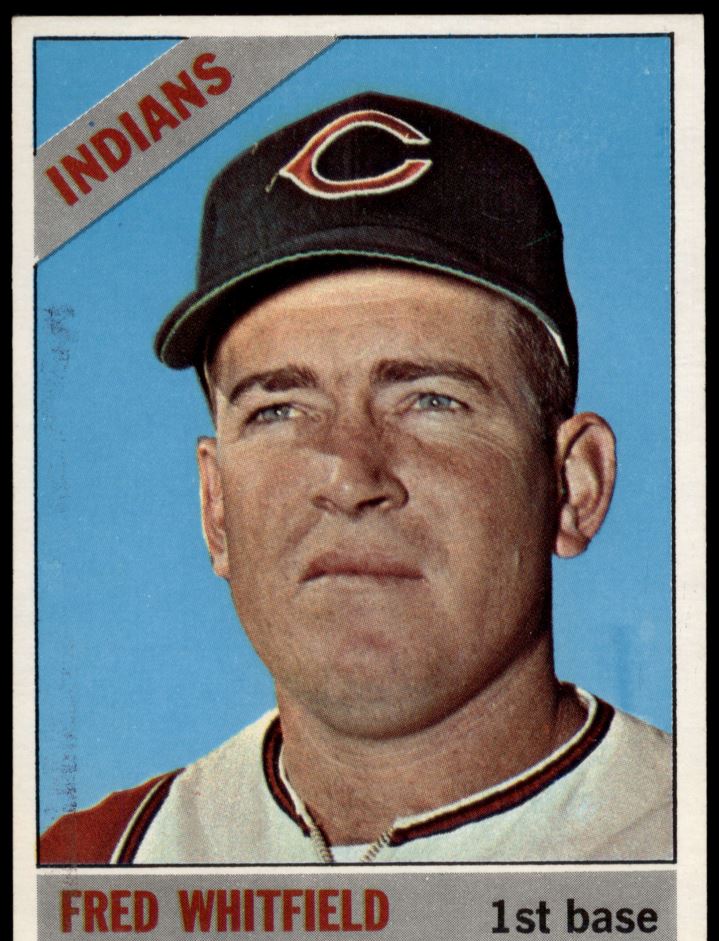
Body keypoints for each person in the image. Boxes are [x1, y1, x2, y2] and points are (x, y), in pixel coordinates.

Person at [40, 92, 672, 865]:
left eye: (430, 401)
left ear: (574, 485)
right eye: (279, 409)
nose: (350, 477)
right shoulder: (93, 867)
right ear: (216, 508)